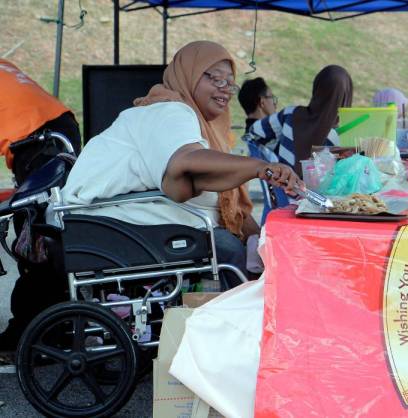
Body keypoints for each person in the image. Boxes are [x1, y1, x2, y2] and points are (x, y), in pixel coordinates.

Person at [1, 41, 301, 351]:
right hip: (99, 227)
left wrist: (267, 235)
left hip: (110, 223)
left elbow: (214, 193)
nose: (225, 89)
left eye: (229, 82)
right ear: (188, 74)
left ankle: (233, 343)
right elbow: (185, 163)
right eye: (214, 78)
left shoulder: (192, 122)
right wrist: (260, 167)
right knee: (225, 247)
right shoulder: (171, 112)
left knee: (242, 244)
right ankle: (231, 347)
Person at [0, 59, 81, 352]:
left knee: (38, 238)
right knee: (44, 231)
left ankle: (37, 333)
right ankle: (47, 327)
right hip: (57, 127)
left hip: (40, 141)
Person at [247, 65, 353, 175]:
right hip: (315, 192)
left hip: (283, 187)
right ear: (347, 97)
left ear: (316, 88)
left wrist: (284, 151)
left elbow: (255, 131)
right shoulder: (344, 138)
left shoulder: (290, 114)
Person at [0, 58, 81, 184]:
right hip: (63, 121)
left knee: (39, 200)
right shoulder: (4, 63)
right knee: (71, 192)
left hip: (30, 137)